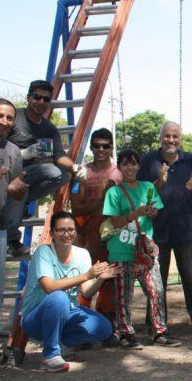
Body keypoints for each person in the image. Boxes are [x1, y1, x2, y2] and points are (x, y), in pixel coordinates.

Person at [138, 121, 192, 342]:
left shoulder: (189, 159)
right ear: (160, 137)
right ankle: (156, 327)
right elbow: (140, 195)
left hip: (184, 230)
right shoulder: (149, 160)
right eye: (167, 136)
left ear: (180, 139)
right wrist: (159, 183)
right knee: (156, 283)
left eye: (175, 137)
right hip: (156, 231)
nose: (171, 140)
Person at [20, 211, 122, 372]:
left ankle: (62, 345)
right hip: (35, 318)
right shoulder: (43, 252)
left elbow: (87, 293)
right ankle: (50, 355)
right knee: (59, 298)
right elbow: (49, 287)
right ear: (52, 232)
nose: (66, 234)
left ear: (75, 231)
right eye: (61, 230)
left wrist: (101, 278)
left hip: (67, 313)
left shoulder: (82, 254)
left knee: (104, 328)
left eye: (70, 230)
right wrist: (87, 274)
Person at [103, 149, 180, 349]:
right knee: (124, 296)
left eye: (134, 163)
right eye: (126, 163)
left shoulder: (148, 187)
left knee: (156, 291)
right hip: (121, 251)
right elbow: (114, 220)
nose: (130, 168)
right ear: (119, 167)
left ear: (139, 166)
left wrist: (151, 212)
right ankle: (126, 334)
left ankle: (159, 332)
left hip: (144, 252)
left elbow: (154, 212)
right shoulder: (114, 192)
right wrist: (136, 213)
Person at [5, 80, 87, 256]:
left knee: (61, 175)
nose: (41, 102)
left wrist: (75, 166)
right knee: (46, 172)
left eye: (46, 99)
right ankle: (12, 239)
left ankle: (24, 197)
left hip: (27, 177)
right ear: (28, 98)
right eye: (37, 97)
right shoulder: (13, 118)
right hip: (3, 173)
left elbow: (59, 156)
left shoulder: (48, 129)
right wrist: (20, 153)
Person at [0, 99, 27, 372]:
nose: (4, 122)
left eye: (9, 118)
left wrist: (19, 190)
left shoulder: (13, 150)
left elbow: (15, 188)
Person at [71, 128, 122, 319]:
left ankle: (108, 324)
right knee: (85, 277)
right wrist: (102, 200)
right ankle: (80, 322)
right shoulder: (82, 173)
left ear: (111, 147)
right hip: (87, 237)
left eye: (105, 146)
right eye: (97, 146)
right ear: (91, 147)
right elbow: (77, 207)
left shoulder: (120, 173)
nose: (101, 149)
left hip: (113, 236)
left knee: (110, 278)